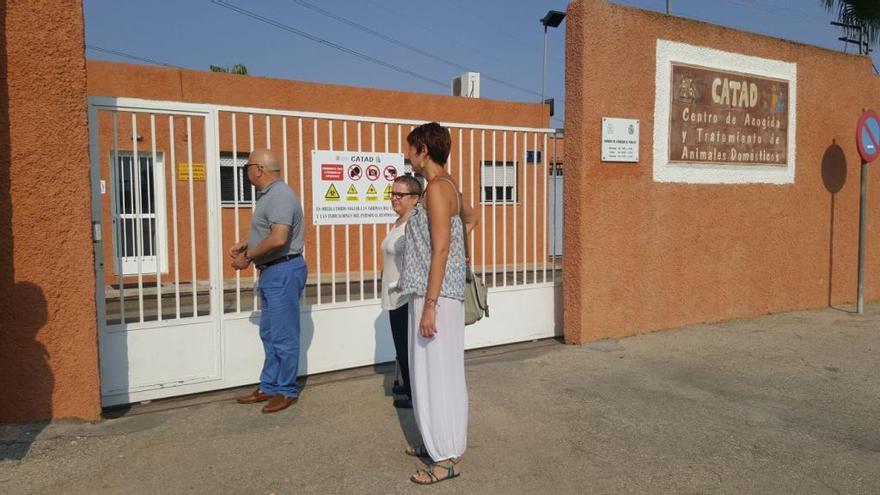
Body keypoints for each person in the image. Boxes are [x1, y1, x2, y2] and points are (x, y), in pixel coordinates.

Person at [399, 122, 478, 484]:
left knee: (438, 376)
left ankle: (445, 456)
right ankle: (437, 443)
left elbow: (441, 247)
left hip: (437, 298)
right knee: (433, 373)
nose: (407, 155)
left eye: (410, 149)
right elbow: (471, 217)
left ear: (423, 151)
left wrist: (430, 304)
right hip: (437, 294)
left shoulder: (435, 190)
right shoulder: (449, 187)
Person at [229, 147, 307, 414]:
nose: (246, 171)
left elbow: (279, 238)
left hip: (283, 270)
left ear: (259, 169)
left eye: (247, 166)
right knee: (270, 333)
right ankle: (270, 385)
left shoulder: (280, 196)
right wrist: (247, 244)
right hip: (274, 270)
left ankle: (286, 390)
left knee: (283, 335)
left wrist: (248, 256)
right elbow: (269, 231)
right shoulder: (270, 196)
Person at [381, 175, 423, 409]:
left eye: (400, 194)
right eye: (393, 193)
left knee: (407, 349)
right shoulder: (398, 223)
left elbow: (416, 263)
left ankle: (414, 397)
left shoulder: (412, 227)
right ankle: (409, 388)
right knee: (401, 347)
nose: (394, 198)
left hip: (404, 297)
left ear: (415, 199)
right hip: (392, 296)